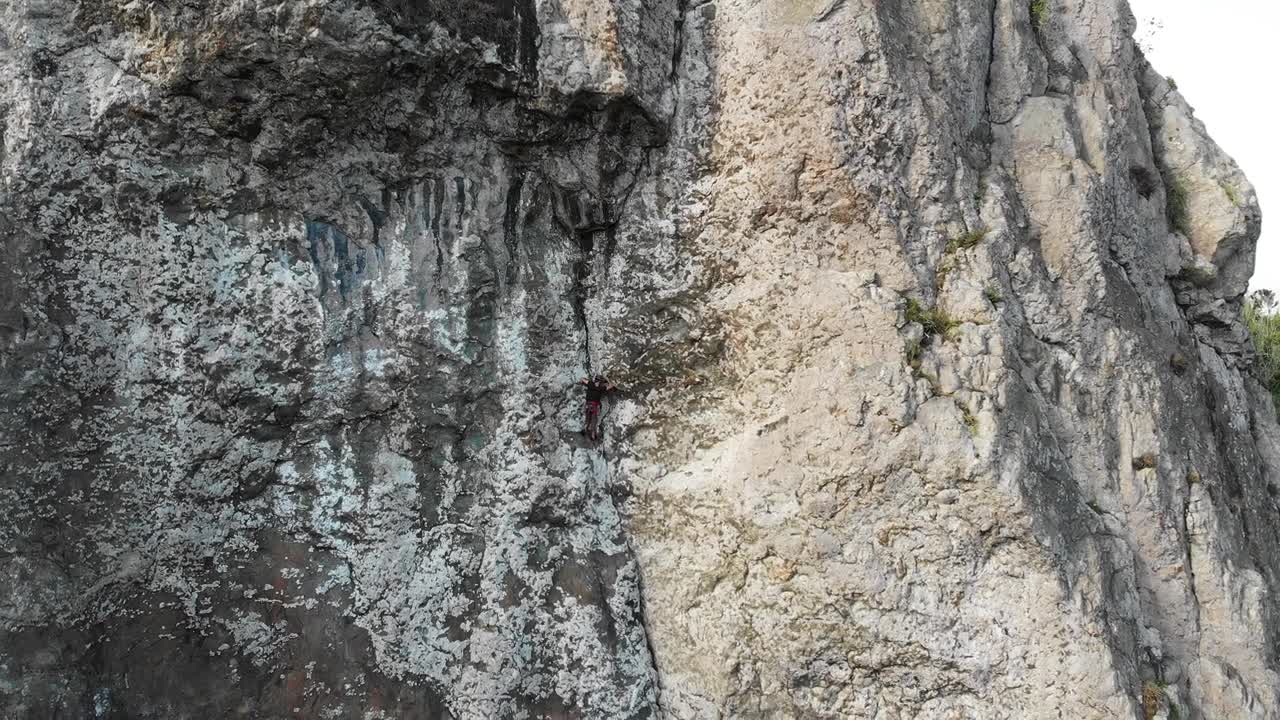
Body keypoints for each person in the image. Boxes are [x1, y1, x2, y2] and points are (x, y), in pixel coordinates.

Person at [580, 375, 617, 441]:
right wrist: (612, 383)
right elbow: (610, 386)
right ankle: (593, 435)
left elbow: (582, 379)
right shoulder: (601, 388)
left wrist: (584, 380)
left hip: (588, 404)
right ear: (600, 382)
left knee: (587, 418)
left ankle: (584, 430)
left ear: (595, 380)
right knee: (594, 420)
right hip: (594, 405)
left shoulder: (590, 384)